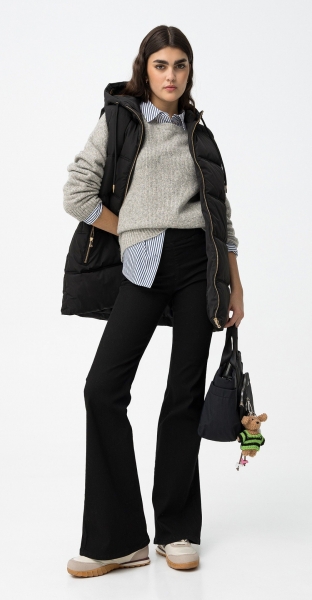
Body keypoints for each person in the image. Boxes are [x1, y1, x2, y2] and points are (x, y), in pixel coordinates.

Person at [62, 25, 244, 578]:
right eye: (161, 65)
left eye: (180, 65)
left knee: (183, 395)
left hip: (198, 267)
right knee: (103, 388)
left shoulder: (198, 133)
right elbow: (77, 193)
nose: (171, 75)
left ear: (189, 72)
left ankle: (177, 529)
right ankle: (118, 539)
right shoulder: (121, 119)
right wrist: (131, 229)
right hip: (142, 264)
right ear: (145, 68)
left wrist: (234, 284)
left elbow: (220, 215)